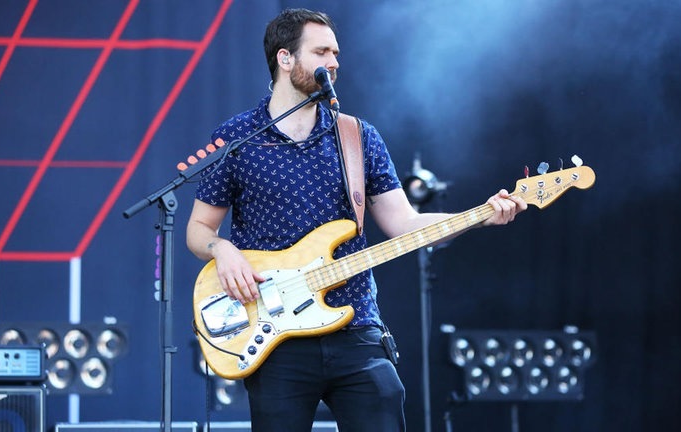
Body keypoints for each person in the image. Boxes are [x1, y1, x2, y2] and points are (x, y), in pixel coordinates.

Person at [186, 8, 527, 432]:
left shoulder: (357, 136)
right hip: (276, 336)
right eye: (321, 51)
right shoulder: (237, 137)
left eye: (336, 53)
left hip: (356, 326)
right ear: (285, 58)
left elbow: (404, 223)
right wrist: (223, 250)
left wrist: (478, 217)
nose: (334, 62)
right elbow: (199, 229)